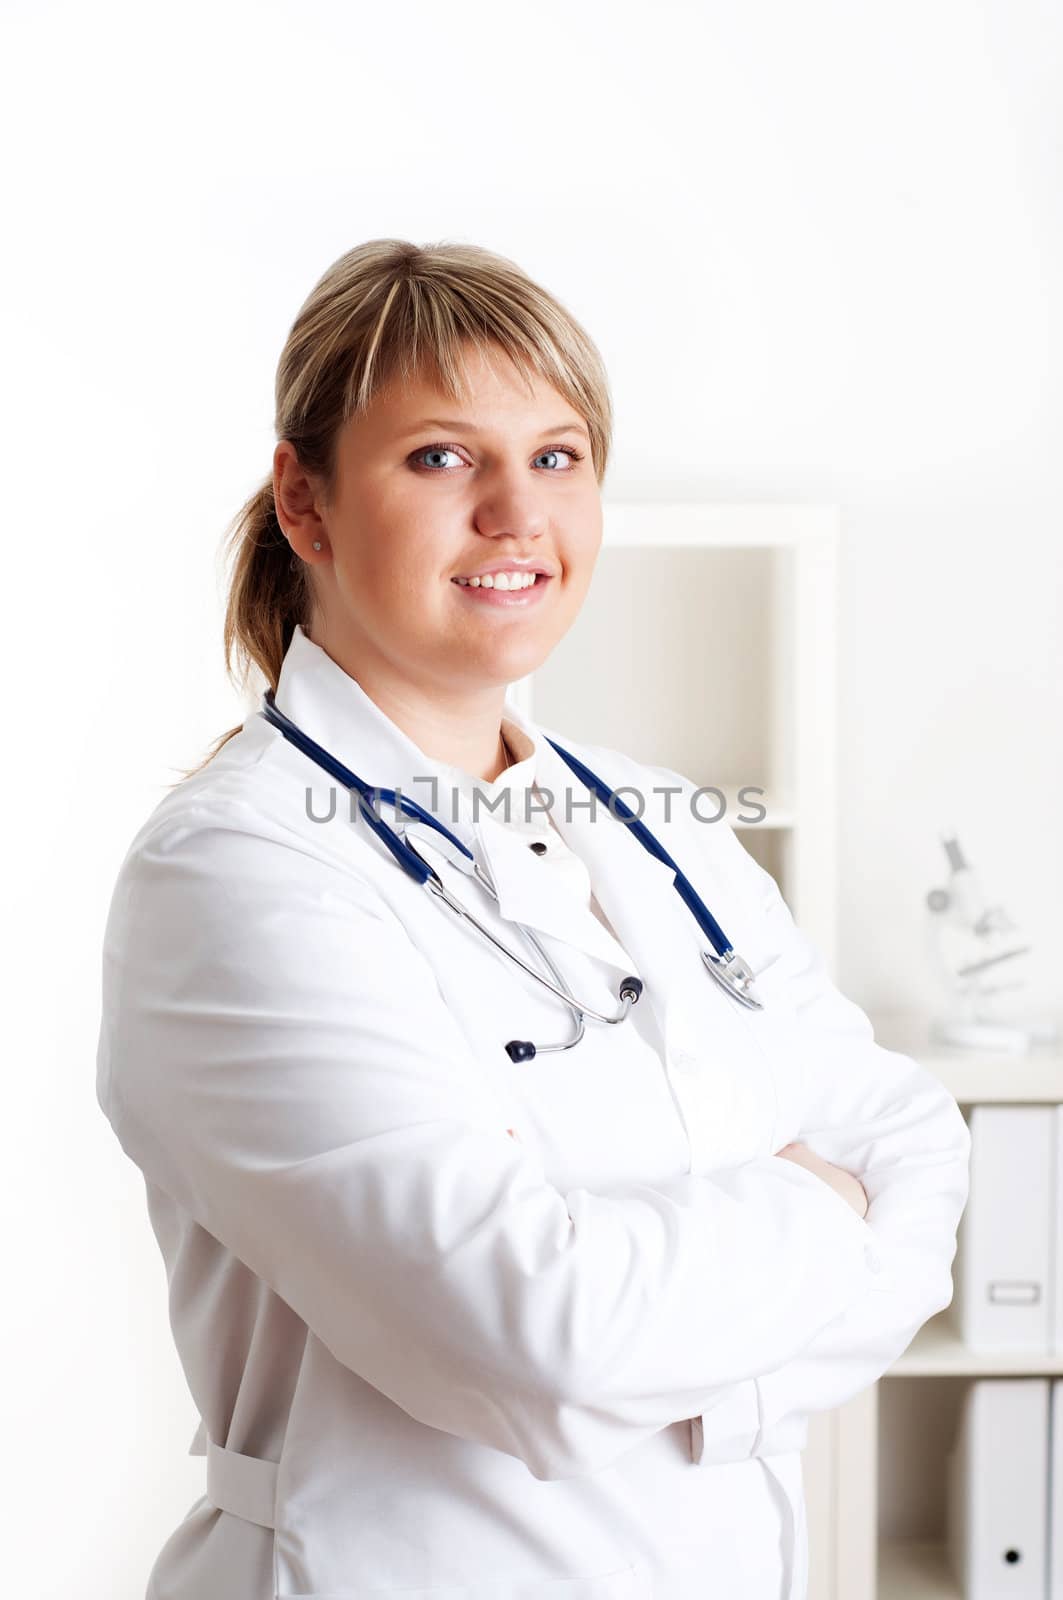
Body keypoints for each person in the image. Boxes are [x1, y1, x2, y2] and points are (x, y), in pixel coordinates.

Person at [95, 238, 971, 1600]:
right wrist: (820, 1209)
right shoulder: (236, 874)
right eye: (442, 459)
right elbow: (535, 1336)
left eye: (558, 457)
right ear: (305, 504)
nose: (516, 513)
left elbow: (915, 1147)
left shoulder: (655, 818)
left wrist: (663, 1342)